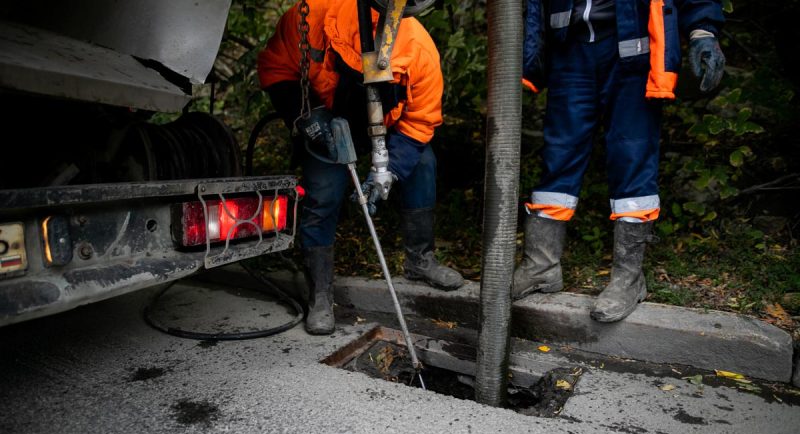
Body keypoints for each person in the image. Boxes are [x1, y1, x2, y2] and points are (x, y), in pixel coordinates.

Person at [258, 0, 464, 335]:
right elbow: (277, 68)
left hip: (390, 126)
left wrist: (389, 169)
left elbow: (420, 122)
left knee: (423, 164)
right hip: (329, 119)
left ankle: (420, 260)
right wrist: (304, 114)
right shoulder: (315, 15)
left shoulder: (419, 49)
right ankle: (321, 292)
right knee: (323, 192)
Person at [514, 0, 726, 322]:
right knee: (558, 154)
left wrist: (702, 31)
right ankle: (541, 266)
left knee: (631, 156)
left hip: (633, 49)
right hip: (570, 48)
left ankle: (629, 278)